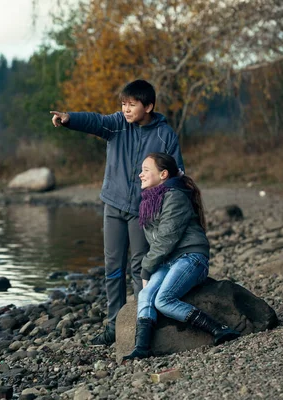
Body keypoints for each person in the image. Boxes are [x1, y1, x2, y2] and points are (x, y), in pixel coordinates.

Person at [50, 80, 184, 345]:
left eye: (132, 105)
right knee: (112, 267)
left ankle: (141, 323)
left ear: (148, 106)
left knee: (140, 267)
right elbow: (94, 121)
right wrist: (69, 119)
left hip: (143, 210)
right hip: (113, 205)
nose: (126, 109)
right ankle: (113, 327)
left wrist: (175, 207)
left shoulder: (165, 135)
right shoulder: (117, 124)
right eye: (123, 104)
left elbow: (176, 173)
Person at [122, 152, 240, 362]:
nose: (140, 175)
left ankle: (219, 329)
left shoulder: (174, 196)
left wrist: (146, 267)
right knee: (145, 295)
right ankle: (142, 348)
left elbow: (166, 237)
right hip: (169, 261)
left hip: (191, 257)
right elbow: (159, 244)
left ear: (163, 174)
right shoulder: (149, 201)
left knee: (163, 300)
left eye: (146, 170)